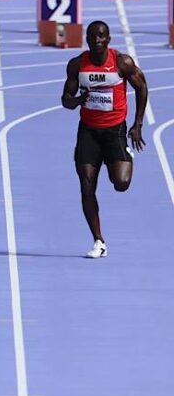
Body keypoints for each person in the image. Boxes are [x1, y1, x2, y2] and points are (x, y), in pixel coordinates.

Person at [61, 20, 148, 259]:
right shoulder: (77, 65)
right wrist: (78, 100)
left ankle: (122, 156)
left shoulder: (122, 62)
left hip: (114, 130)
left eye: (101, 36)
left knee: (121, 183)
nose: (97, 40)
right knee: (86, 184)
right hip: (88, 131)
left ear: (108, 39)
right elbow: (65, 100)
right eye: (92, 36)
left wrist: (137, 124)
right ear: (87, 40)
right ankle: (98, 240)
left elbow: (141, 87)